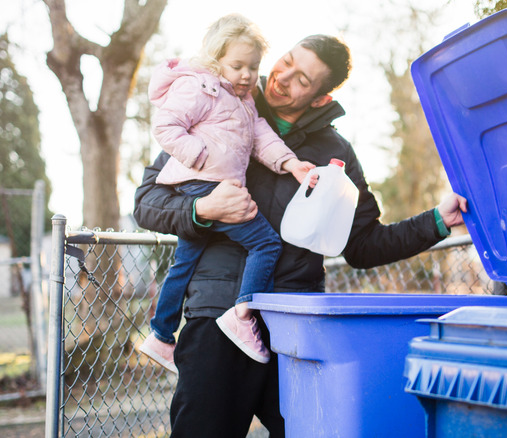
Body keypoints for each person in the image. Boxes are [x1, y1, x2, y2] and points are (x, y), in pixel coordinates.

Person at [133, 33, 468, 438]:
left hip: (294, 328)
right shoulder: (217, 105)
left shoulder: (335, 152)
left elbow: (362, 245)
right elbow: (147, 201)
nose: (281, 78)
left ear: (320, 99)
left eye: (302, 80)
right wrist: (201, 209)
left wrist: (436, 221)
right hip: (216, 319)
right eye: (286, 61)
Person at [137, 14, 318, 374]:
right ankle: (243, 314)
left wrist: (290, 163)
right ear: (216, 59)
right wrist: (199, 157)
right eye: (237, 66)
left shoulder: (244, 100)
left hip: (211, 184)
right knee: (266, 244)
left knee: (183, 264)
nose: (247, 75)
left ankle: (160, 335)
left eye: (253, 66)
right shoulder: (201, 87)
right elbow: (164, 125)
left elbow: (261, 138)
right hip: (203, 184)